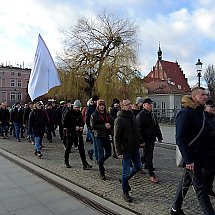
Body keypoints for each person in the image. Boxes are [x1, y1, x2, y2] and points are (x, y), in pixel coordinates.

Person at [171, 87, 215, 215]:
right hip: (192, 158)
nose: (206, 97)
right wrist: (188, 159)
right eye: (202, 95)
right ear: (194, 97)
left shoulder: (200, 112)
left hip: (200, 156)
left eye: (206, 95)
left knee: (186, 181)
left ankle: (175, 208)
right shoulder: (186, 113)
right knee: (201, 188)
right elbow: (180, 138)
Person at [114, 99, 142, 203]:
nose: (130, 106)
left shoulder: (132, 116)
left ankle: (124, 181)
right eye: (127, 104)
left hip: (135, 148)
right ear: (122, 106)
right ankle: (125, 191)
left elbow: (136, 131)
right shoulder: (119, 119)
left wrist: (140, 141)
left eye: (130, 104)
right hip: (125, 149)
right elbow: (116, 137)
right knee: (125, 172)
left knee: (138, 167)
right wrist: (119, 152)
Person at [136, 97, 162, 183]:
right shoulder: (141, 115)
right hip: (145, 139)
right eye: (149, 104)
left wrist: (159, 136)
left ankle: (137, 165)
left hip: (151, 138)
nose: (151, 105)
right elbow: (138, 129)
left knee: (145, 155)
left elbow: (156, 126)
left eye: (151, 104)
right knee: (149, 156)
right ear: (144, 105)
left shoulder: (152, 114)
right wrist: (141, 141)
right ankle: (151, 174)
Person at [90, 99, 113, 180]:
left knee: (109, 153)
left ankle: (100, 163)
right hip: (98, 136)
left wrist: (110, 125)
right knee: (100, 155)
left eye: (103, 105)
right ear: (98, 106)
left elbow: (112, 121)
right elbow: (93, 126)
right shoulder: (94, 115)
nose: (102, 107)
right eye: (100, 105)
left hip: (106, 136)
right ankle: (101, 172)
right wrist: (104, 126)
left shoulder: (107, 114)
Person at [204, 99, 215, 197]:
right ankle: (205, 189)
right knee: (208, 171)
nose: (213, 109)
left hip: (212, 149)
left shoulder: (212, 117)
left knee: (212, 171)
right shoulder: (204, 118)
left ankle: (208, 188)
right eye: (211, 107)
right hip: (207, 149)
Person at [86, 95, 99, 161]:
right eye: (96, 101)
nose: (97, 102)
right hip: (92, 128)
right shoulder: (90, 108)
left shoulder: (97, 107)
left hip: (98, 128)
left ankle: (91, 151)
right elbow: (87, 119)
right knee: (95, 143)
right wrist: (89, 127)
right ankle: (97, 158)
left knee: (98, 143)